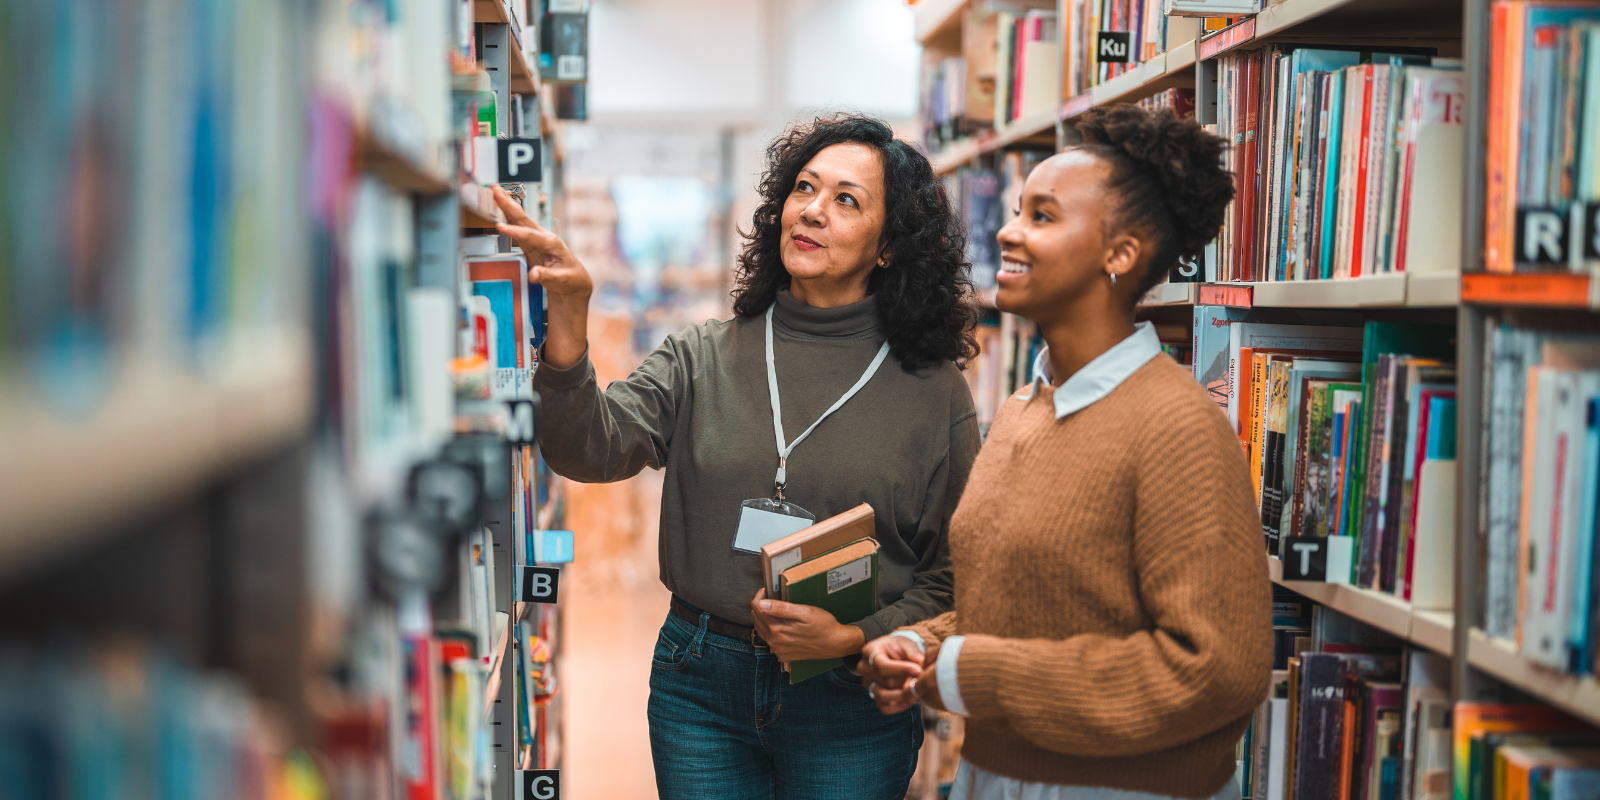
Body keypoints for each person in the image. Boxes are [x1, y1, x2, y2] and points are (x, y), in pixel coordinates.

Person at [493, 113, 981, 799]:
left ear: (890, 247)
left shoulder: (934, 393)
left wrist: (851, 637)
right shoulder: (704, 355)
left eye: (847, 200)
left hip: (850, 695)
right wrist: (568, 320)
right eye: (804, 188)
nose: (812, 210)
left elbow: (953, 577)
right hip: (701, 683)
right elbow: (588, 448)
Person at [858, 105, 1273, 800]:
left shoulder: (1177, 426)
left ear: (1121, 253)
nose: (1008, 231)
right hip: (994, 775)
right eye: (1018, 210)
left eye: (1042, 217)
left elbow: (1217, 670)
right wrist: (925, 648)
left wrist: (973, 674)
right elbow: (1026, 606)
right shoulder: (1024, 410)